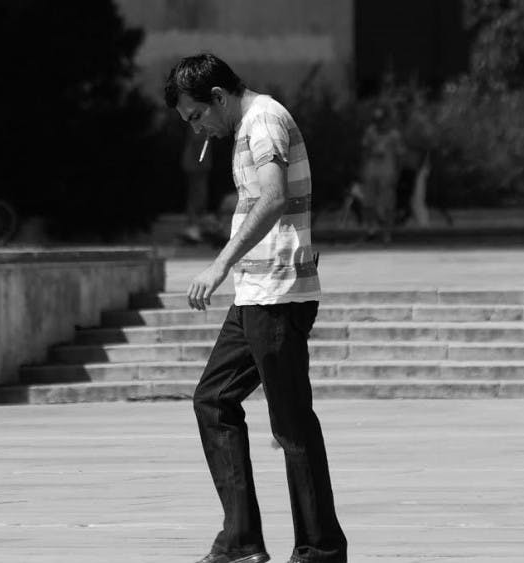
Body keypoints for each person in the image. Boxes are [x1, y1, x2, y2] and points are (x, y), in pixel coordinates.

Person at [164, 53, 347, 563]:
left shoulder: (263, 120)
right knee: (214, 399)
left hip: (278, 294)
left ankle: (320, 549)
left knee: (291, 424)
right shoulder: (248, 125)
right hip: (256, 294)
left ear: (217, 97)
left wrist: (218, 264)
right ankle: (241, 540)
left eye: (197, 116)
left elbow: (272, 198)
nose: (198, 129)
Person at [359, 106, 404, 243]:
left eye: (382, 120)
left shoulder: (394, 135)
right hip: (371, 170)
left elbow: (399, 156)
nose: (380, 124)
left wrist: (397, 173)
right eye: (377, 121)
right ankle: (371, 229)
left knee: (388, 203)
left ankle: (387, 233)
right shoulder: (370, 132)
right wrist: (363, 169)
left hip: (387, 171)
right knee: (369, 201)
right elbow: (365, 151)